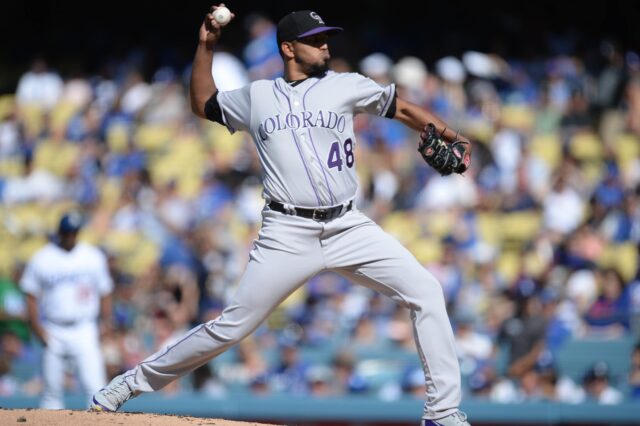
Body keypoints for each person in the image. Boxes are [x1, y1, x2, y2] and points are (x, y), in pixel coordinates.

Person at [92, 5, 472, 425]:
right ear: (288, 49)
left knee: (426, 291)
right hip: (287, 231)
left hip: (348, 225)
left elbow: (402, 109)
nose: (325, 44)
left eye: (325, 37)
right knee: (232, 327)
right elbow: (203, 103)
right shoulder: (257, 96)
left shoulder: (346, 85)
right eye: (314, 40)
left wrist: (453, 135)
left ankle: (442, 413)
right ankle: (130, 383)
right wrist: (206, 46)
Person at [21, 212, 113, 408]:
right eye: (67, 232)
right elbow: (30, 294)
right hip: (54, 327)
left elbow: (105, 291)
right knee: (51, 392)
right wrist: (37, 327)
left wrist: (106, 322)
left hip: (84, 327)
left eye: (74, 232)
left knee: (95, 388)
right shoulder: (43, 258)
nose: (70, 236)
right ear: (59, 232)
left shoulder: (92, 256)